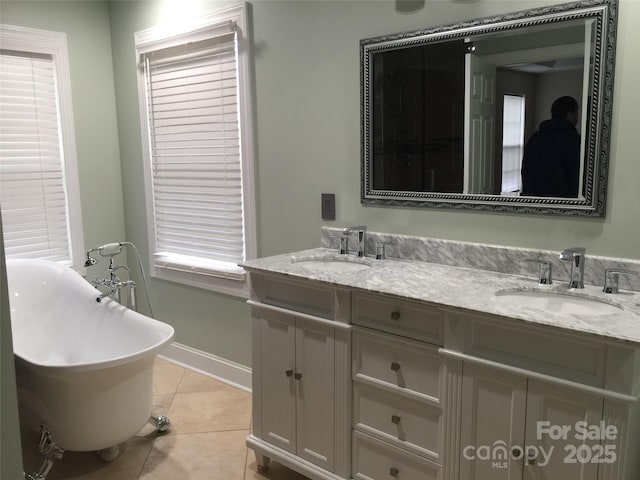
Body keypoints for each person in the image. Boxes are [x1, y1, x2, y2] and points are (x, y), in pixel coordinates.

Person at [521, 96, 580, 197]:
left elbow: (525, 170)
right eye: (576, 113)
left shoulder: (535, 138)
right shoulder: (573, 140)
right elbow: (575, 175)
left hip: (533, 199)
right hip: (562, 202)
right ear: (570, 115)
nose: (577, 117)